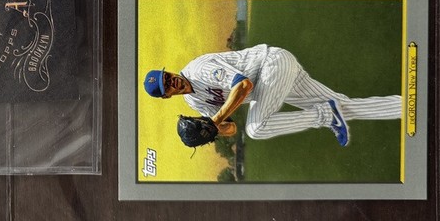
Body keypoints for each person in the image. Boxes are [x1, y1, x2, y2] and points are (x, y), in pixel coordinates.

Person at [142, 44, 402, 146]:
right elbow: (231, 128)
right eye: (167, 85)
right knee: (345, 108)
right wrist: (211, 130)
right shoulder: (193, 100)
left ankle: (325, 115)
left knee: (256, 128)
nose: (171, 80)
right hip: (273, 81)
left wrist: (214, 120)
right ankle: (407, 106)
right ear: (167, 96)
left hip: (271, 66)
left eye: (167, 76)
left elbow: (243, 86)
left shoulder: (198, 69)